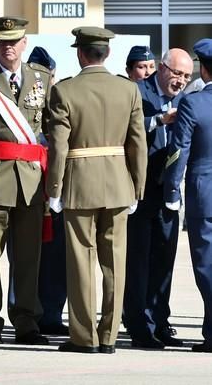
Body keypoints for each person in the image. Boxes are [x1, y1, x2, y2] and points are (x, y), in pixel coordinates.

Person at [47, 26, 147, 354]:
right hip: (119, 185)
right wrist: (137, 187)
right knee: (115, 262)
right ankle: (109, 337)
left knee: (81, 260)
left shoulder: (65, 91)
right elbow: (137, 144)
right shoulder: (128, 90)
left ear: (80, 53)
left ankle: (83, 336)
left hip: (79, 184)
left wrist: (54, 188)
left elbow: (59, 146)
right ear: (108, 54)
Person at [0, 17, 51, 346]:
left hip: (31, 182)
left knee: (28, 257)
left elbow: (52, 130)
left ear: (24, 44)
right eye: (2, 41)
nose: (8, 47)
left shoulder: (42, 77)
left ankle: (26, 320)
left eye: (14, 41)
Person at [123, 48, 193, 349]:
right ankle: (139, 324)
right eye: (177, 73)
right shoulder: (137, 92)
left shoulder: (187, 99)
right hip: (141, 188)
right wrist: (160, 120)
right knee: (138, 260)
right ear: (161, 69)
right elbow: (126, 129)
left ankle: (159, 321)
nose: (181, 81)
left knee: (164, 259)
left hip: (169, 191)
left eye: (187, 76)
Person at [163, 38, 212, 353]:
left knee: (207, 265)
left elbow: (178, 152)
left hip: (203, 195)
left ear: (203, 68)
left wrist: (171, 188)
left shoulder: (193, 103)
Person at [26, 46, 68, 336]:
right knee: (25, 257)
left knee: (55, 256)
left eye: (47, 76)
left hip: (53, 189)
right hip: (24, 187)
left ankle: (51, 313)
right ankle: (25, 313)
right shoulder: (15, 101)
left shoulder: (60, 101)